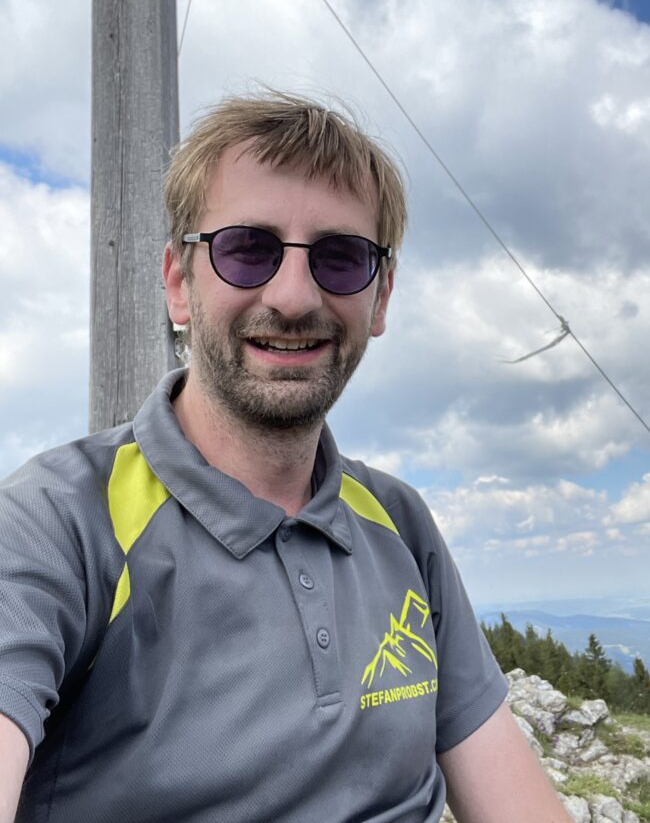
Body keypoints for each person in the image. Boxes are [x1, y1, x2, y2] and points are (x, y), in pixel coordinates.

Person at [0, 93, 571, 823]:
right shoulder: (56, 521)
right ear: (180, 282)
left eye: (341, 258)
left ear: (381, 295)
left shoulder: (399, 523)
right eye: (248, 249)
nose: (295, 296)